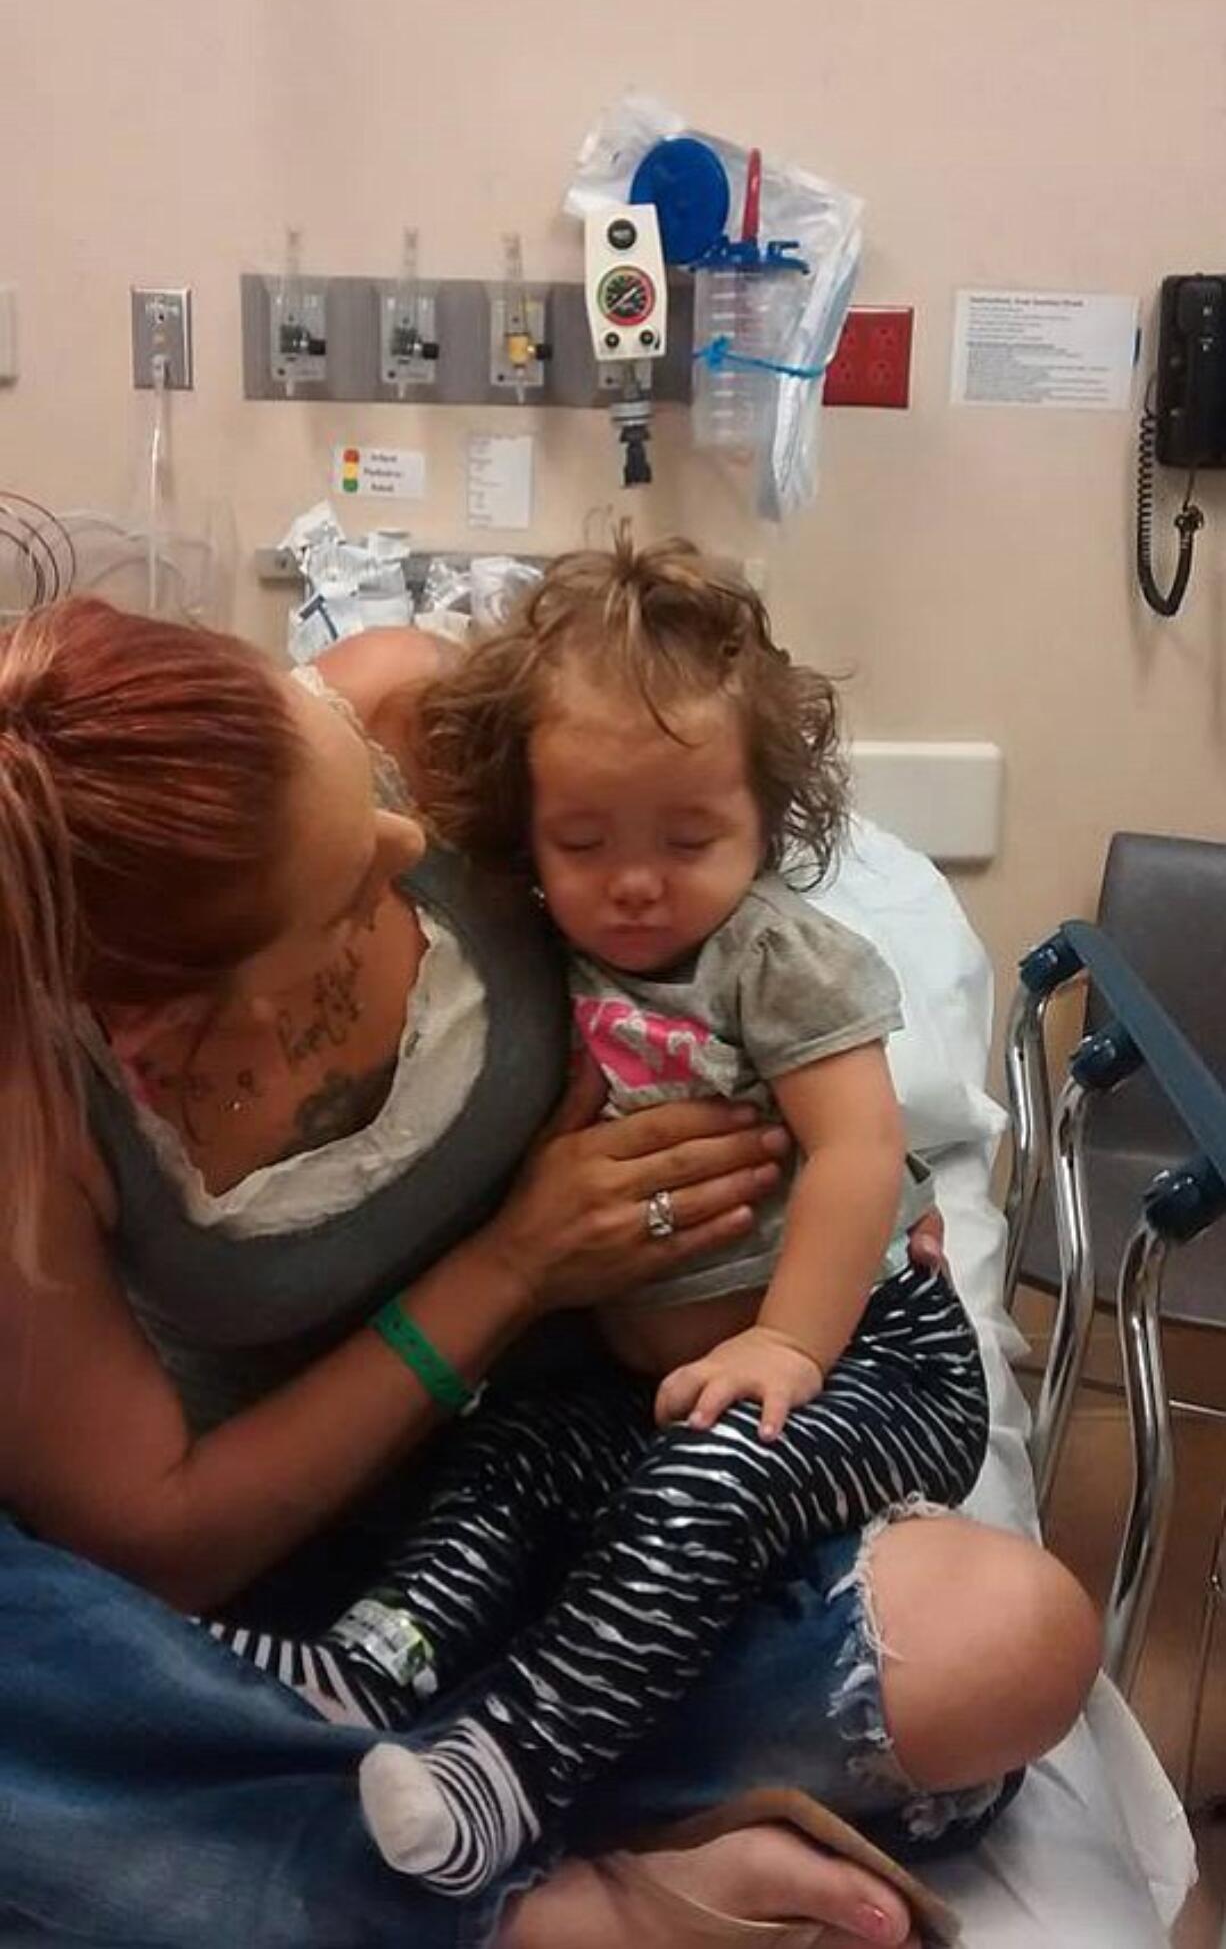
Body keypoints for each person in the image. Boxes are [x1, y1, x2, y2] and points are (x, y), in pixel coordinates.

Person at [0, 592, 1099, 1949]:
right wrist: (513, 1266)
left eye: (360, 787)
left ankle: (341, 1787)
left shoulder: (411, 712)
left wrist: (857, 1190)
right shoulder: (39, 1104)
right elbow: (156, 1545)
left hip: (602, 1462)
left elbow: (709, 910)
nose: (410, 840)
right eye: (351, 890)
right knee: (49, 1656)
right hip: (297, 1569)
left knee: (1003, 1645)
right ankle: (539, 1888)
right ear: (157, 1007)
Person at [208, 535, 990, 1899]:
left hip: (865, 1362)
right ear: (529, 831)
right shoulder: (532, 952)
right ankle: (357, 1669)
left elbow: (860, 1158)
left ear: (766, 819)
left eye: (688, 841)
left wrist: (789, 1352)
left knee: (712, 1470)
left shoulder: (777, 960)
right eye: (583, 843)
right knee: (502, 1465)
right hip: (632, 1369)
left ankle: (506, 1773)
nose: (634, 883)